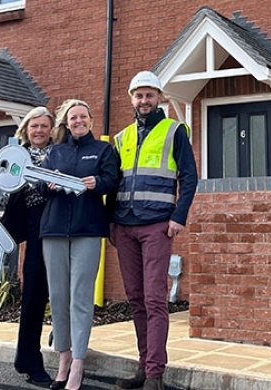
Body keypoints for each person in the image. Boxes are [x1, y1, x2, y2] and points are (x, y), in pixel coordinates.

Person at [111, 71, 197, 390]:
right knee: (135, 298)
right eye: (138, 95)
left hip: (158, 225)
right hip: (124, 226)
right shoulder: (122, 137)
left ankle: (154, 374)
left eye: (149, 95)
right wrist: (111, 222)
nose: (144, 101)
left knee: (154, 299)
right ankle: (143, 364)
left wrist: (179, 216)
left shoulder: (174, 130)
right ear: (131, 98)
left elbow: (189, 177)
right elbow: (113, 182)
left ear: (159, 96)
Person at [40, 99, 118, 390]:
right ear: (67, 122)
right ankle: (63, 359)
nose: (78, 121)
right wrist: (48, 182)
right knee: (59, 298)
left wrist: (95, 182)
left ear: (90, 120)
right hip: (54, 230)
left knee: (81, 298)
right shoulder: (54, 152)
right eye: (73, 118)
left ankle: (78, 365)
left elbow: (113, 181)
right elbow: (38, 186)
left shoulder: (103, 150)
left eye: (82, 116)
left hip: (87, 230)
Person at [0, 106, 55, 387]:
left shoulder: (58, 153)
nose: (39, 130)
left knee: (62, 292)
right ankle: (28, 359)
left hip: (60, 226)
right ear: (25, 129)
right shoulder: (12, 157)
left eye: (44, 126)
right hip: (33, 227)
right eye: (34, 126)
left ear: (51, 130)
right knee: (34, 295)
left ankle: (67, 355)